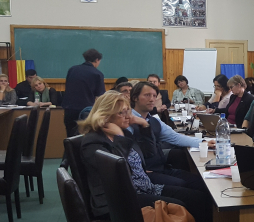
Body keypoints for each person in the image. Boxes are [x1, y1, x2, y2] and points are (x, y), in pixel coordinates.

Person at [78, 92, 211, 221]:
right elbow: (117, 172)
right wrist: (119, 137)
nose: (127, 116)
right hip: (120, 199)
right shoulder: (93, 141)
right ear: (105, 116)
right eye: (121, 113)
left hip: (145, 188)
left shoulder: (124, 133)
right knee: (180, 205)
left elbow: (149, 153)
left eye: (127, 111)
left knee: (199, 198)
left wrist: (144, 125)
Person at [126, 82, 211, 193]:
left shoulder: (153, 120)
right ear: (134, 98)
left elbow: (175, 137)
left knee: (201, 183)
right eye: (147, 95)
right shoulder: (127, 121)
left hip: (161, 167)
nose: (152, 99)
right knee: (186, 188)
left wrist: (204, 142)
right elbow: (123, 151)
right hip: (146, 172)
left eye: (154, 96)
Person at [63, 48, 106, 138]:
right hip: (86, 112)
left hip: (69, 110)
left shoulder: (72, 69)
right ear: (97, 60)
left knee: (70, 138)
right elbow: (100, 97)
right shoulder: (97, 74)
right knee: (84, 138)